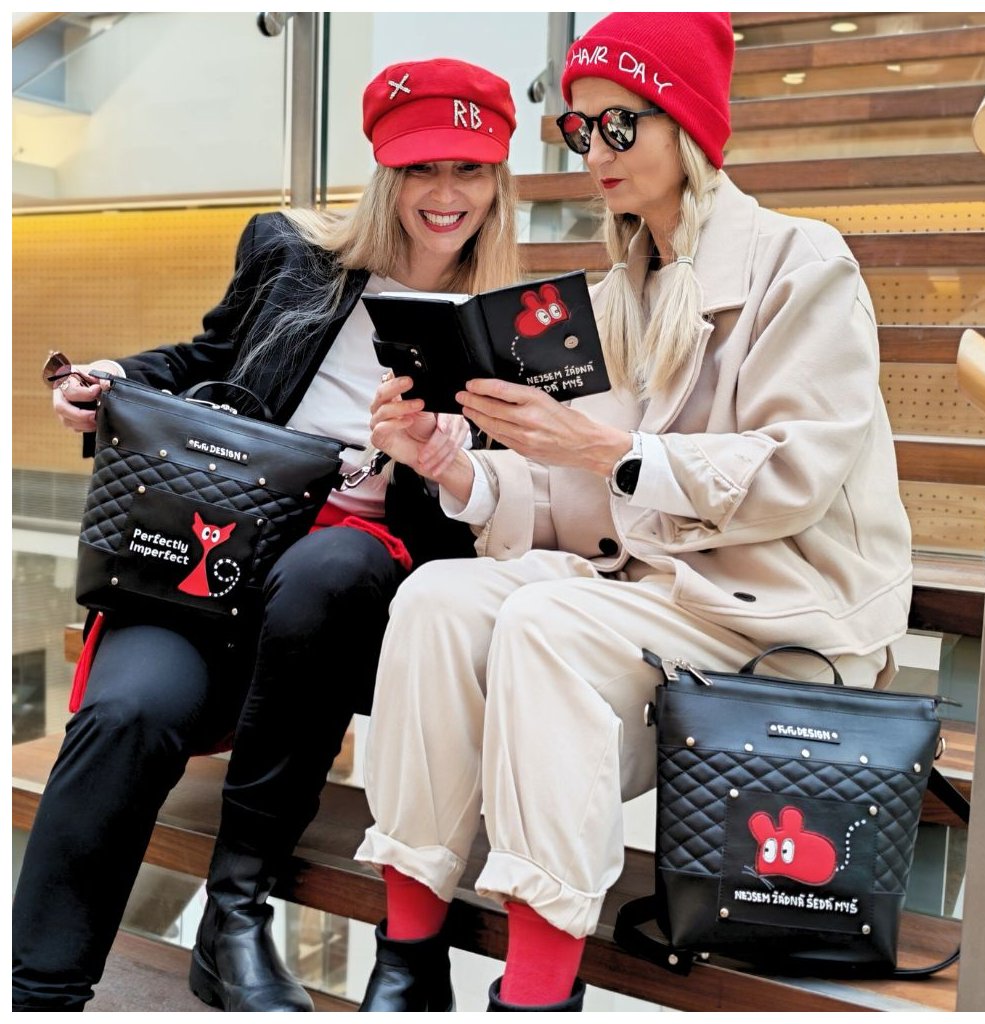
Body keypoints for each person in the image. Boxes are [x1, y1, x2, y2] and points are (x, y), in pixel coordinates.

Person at [353, 12, 913, 1013]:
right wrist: (454, 467)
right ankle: (409, 955)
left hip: (774, 618)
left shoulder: (802, 265)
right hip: (650, 601)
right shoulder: (616, 296)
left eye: (620, 123)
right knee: (437, 598)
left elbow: (794, 474)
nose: (595, 151)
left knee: (544, 621)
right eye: (580, 129)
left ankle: (537, 992)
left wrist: (606, 450)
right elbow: (587, 503)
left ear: (688, 127)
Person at [12, 57, 520, 1012]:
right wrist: (117, 377)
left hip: (346, 598)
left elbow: (495, 516)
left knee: (335, 563)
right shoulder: (293, 257)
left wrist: (442, 460)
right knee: (128, 713)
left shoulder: (507, 330)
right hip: (216, 543)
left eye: (468, 169)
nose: (444, 193)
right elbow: (210, 357)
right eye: (420, 168)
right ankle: (37, 992)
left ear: (499, 181)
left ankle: (233, 917)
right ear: (385, 174)